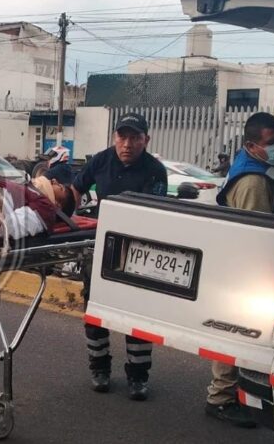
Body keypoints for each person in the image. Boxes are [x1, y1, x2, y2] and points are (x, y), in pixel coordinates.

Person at [207, 37, 274, 428]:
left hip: (260, 250)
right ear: (252, 146)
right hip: (248, 261)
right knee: (238, 325)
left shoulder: (266, 148)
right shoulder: (253, 182)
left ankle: (241, 391)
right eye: (273, 142)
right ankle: (220, 397)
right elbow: (258, 241)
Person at [70, 112, 168, 401]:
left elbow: (154, 212)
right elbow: (76, 187)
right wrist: (71, 218)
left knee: (137, 315)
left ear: (146, 140)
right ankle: (99, 370)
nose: (127, 143)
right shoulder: (101, 160)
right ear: (115, 137)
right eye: (122, 136)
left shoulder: (155, 170)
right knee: (95, 312)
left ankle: (138, 377)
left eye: (134, 137)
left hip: (139, 253)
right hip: (101, 247)